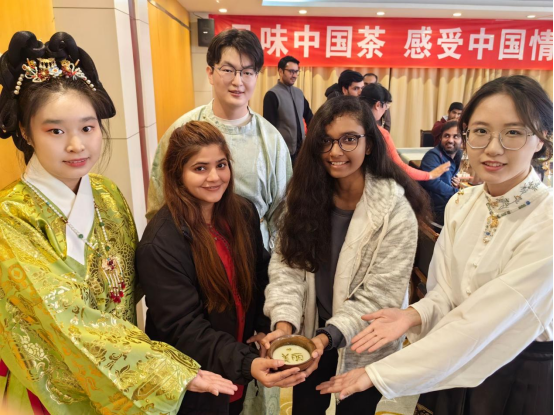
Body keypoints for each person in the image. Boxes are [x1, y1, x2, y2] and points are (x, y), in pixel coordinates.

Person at [0, 31, 236, 415]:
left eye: (87, 127)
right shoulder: (10, 216)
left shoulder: (106, 194)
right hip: (53, 386)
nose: (77, 145)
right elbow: (62, 316)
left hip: (120, 378)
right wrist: (164, 372)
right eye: (55, 130)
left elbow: (131, 283)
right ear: (26, 132)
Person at [317, 76, 553, 415]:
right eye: (481, 131)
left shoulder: (546, 221)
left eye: (513, 132)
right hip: (448, 360)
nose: (493, 148)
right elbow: (445, 295)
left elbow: (483, 321)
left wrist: (379, 372)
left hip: (515, 374)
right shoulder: (463, 204)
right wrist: (412, 314)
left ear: (541, 138)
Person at [261, 96, 431, 415]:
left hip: (364, 344)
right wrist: (284, 325)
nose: (335, 151)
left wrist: (327, 337)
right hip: (310, 331)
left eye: (349, 139)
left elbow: (380, 295)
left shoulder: (394, 210)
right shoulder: (303, 197)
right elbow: (287, 268)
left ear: (369, 144)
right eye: (326, 141)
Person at [137, 122, 305, 415]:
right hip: (196, 378)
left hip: (236, 362)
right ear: (177, 174)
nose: (214, 177)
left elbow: (261, 274)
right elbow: (183, 328)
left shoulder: (242, 212)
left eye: (221, 165)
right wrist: (245, 362)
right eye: (200, 168)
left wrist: (264, 328)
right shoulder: (161, 243)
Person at [147, 29, 292, 251]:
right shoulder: (182, 130)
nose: (238, 81)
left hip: (254, 253)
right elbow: (159, 202)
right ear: (210, 73)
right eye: (228, 70)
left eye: (247, 72)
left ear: (257, 76)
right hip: (192, 250)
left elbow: (282, 214)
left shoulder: (272, 140)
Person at [360, 84, 451, 182]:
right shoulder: (380, 133)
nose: (385, 110)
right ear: (378, 105)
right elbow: (400, 167)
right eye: (386, 106)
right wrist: (430, 175)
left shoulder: (352, 123)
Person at [263, 56, 313, 163]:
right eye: (291, 71)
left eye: (296, 72)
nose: (294, 75)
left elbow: (309, 116)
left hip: (301, 150)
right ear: (281, 72)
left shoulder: (299, 93)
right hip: (283, 152)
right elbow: (269, 128)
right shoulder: (272, 95)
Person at [420, 120, 463, 226]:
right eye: (446, 136)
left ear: (462, 140)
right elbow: (432, 182)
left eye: (456, 136)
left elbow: (448, 178)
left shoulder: (457, 154)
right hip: (435, 213)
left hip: (449, 206)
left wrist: (455, 182)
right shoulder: (433, 156)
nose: (450, 140)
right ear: (440, 138)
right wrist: (457, 192)